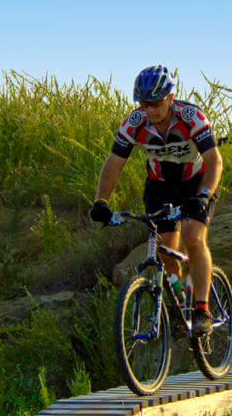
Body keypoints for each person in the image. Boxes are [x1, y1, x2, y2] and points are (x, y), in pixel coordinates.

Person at [89, 65, 223, 336]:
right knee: (164, 250)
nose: (149, 109)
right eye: (143, 103)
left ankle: (201, 307)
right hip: (160, 186)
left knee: (193, 237)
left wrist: (204, 195)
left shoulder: (191, 117)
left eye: (155, 102)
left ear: (170, 98)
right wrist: (100, 202)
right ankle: (180, 304)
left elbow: (214, 161)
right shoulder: (134, 123)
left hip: (197, 183)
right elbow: (114, 164)